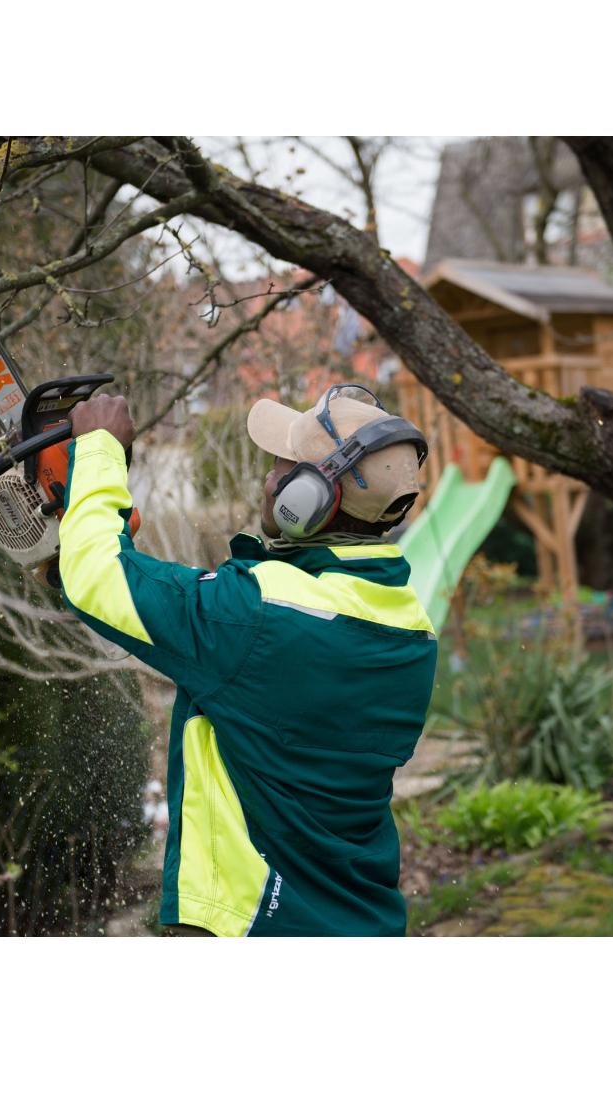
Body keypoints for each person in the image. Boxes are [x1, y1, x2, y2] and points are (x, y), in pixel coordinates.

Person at [59, 383, 437, 936]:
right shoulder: (410, 631)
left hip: (257, 923)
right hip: (362, 919)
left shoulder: (258, 616)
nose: (268, 478)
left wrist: (98, 451)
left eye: (281, 467)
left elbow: (98, 577)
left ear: (307, 499)